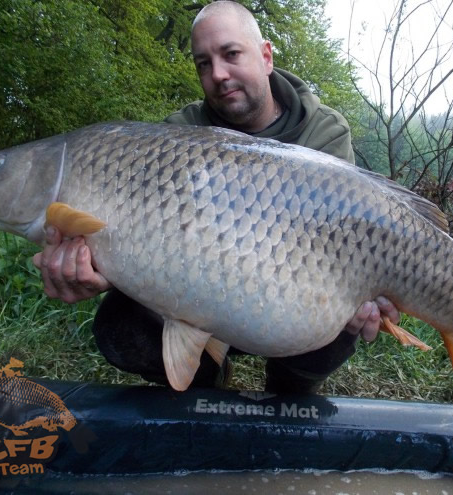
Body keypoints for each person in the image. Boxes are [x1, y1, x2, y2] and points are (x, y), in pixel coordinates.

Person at [33, 1, 400, 393]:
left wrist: (372, 290)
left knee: (345, 317)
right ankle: (207, 378)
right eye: (203, 64)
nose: (218, 74)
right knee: (119, 325)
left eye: (230, 54)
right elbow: (150, 240)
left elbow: (344, 242)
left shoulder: (322, 132)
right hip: (202, 294)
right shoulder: (179, 134)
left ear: (265, 55)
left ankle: (289, 385)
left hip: (290, 302)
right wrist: (99, 269)